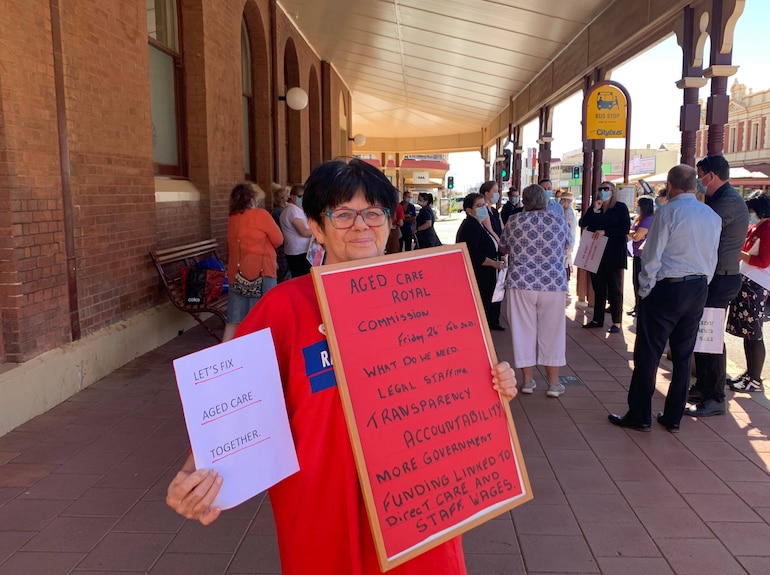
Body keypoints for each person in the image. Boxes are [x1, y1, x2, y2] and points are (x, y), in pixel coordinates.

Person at [165, 159, 518, 575]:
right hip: (323, 509)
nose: (361, 226)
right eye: (343, 214)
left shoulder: (430, 298)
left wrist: (494, 384)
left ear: (389, 223)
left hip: (419, 504)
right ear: (316, 226)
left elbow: (452, 387)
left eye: (373, 213)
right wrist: (195, 474)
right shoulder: (286, 307)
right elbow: (233, 402)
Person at [608, 164, 721, 432]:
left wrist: (645, 289)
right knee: (683, 355)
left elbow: (652, 254)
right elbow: (712, 256)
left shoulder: (668, 212)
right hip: (698, 287)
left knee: (648, 352)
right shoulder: (711, 215)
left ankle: (639, 415)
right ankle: (673, 417)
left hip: (668, 287)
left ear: (671, 185)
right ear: (695, 185)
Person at [686, 155, 749, 417]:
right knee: (704, 333)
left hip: (721, 278)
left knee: (710, 337)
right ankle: (703, 386)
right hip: (713, 275)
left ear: (710, 176)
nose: (698, 182)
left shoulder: (728, 203)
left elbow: (699, 226)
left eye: (699, 176)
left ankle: (716, 397)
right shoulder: (718, 199)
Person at [500, 184, 571, 397]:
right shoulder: (558, 220)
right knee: (553, 332)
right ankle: (553, 383)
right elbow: (567, 244)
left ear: (524, 200)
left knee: (523, 331)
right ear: (545, 200)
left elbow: (503, 247)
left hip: (521, 282)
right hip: (553, 283)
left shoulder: (514, 221)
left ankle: (528, 381)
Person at [726, 192, 770, 393]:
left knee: (754, 333)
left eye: (752, 209)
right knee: (747, 333)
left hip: (755, 287)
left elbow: (764, 261)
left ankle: (755, 378)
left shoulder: (769, 230)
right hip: (746, 283)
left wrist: (739, 253)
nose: (750, 213)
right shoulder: (757, 227)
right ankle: (749, 373)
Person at [224, 182, 283, 341]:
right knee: (264, 318)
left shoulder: (232, 218)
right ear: (251, 198)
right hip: (262, 272)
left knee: (234, 319)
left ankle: (225, 354)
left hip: (237, 275)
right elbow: (278, 239)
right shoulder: (261, 215)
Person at [578, 181, 631, 333]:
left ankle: (616, 322)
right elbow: (583, 223)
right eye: (600, 189)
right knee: (598, 287)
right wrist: (594, 208)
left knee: (615, 288)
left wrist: (605, 231)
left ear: (613, 192)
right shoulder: (596, 208)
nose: (603, 191)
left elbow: (624, 228)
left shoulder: (620, 207)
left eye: (606, 189)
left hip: (614, 253)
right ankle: (597, 319)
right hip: (596, 253)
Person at [457, 192, 506, 331]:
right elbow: (473, 253)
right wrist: (493, 263)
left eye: (483, 205)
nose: (483, 208)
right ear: (469, 210)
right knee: (480, 306)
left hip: (487, 274)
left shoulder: (479, 224)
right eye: (478, 206)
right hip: (479, 275)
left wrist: (499, 257)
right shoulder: (470, 226)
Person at [627, 196, 655, 316]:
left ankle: (641, 309)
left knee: (641, 283)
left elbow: (637, 236)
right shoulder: (640, 219)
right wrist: (632, 233)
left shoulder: (648, 219)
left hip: (642, 255)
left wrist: (631, 233)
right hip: (636, 254)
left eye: (638, 205)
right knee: (635, 282)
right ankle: (637, 306)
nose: (636, 207)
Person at [279, 183, 313, 278]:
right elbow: (304, 232)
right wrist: (318, 230)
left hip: (301, 251)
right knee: (303, 279)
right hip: (298, 253)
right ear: (292, 196)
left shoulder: (295, 209)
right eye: (300, 196)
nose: (302, 198)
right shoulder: (292, 210)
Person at [271, 183, 290, 282]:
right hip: (281, 246)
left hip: (283, 244)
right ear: (283, 198)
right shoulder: (279, 212)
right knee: (284, 272)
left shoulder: (280, 210)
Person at [559, 191, 578, 282]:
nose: (561, 202)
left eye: (562, 200)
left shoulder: (568, 212)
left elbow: (565, 228)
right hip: (568, 241)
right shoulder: (570, 211)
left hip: (566, 242)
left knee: (564, 263)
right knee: (566, 262)